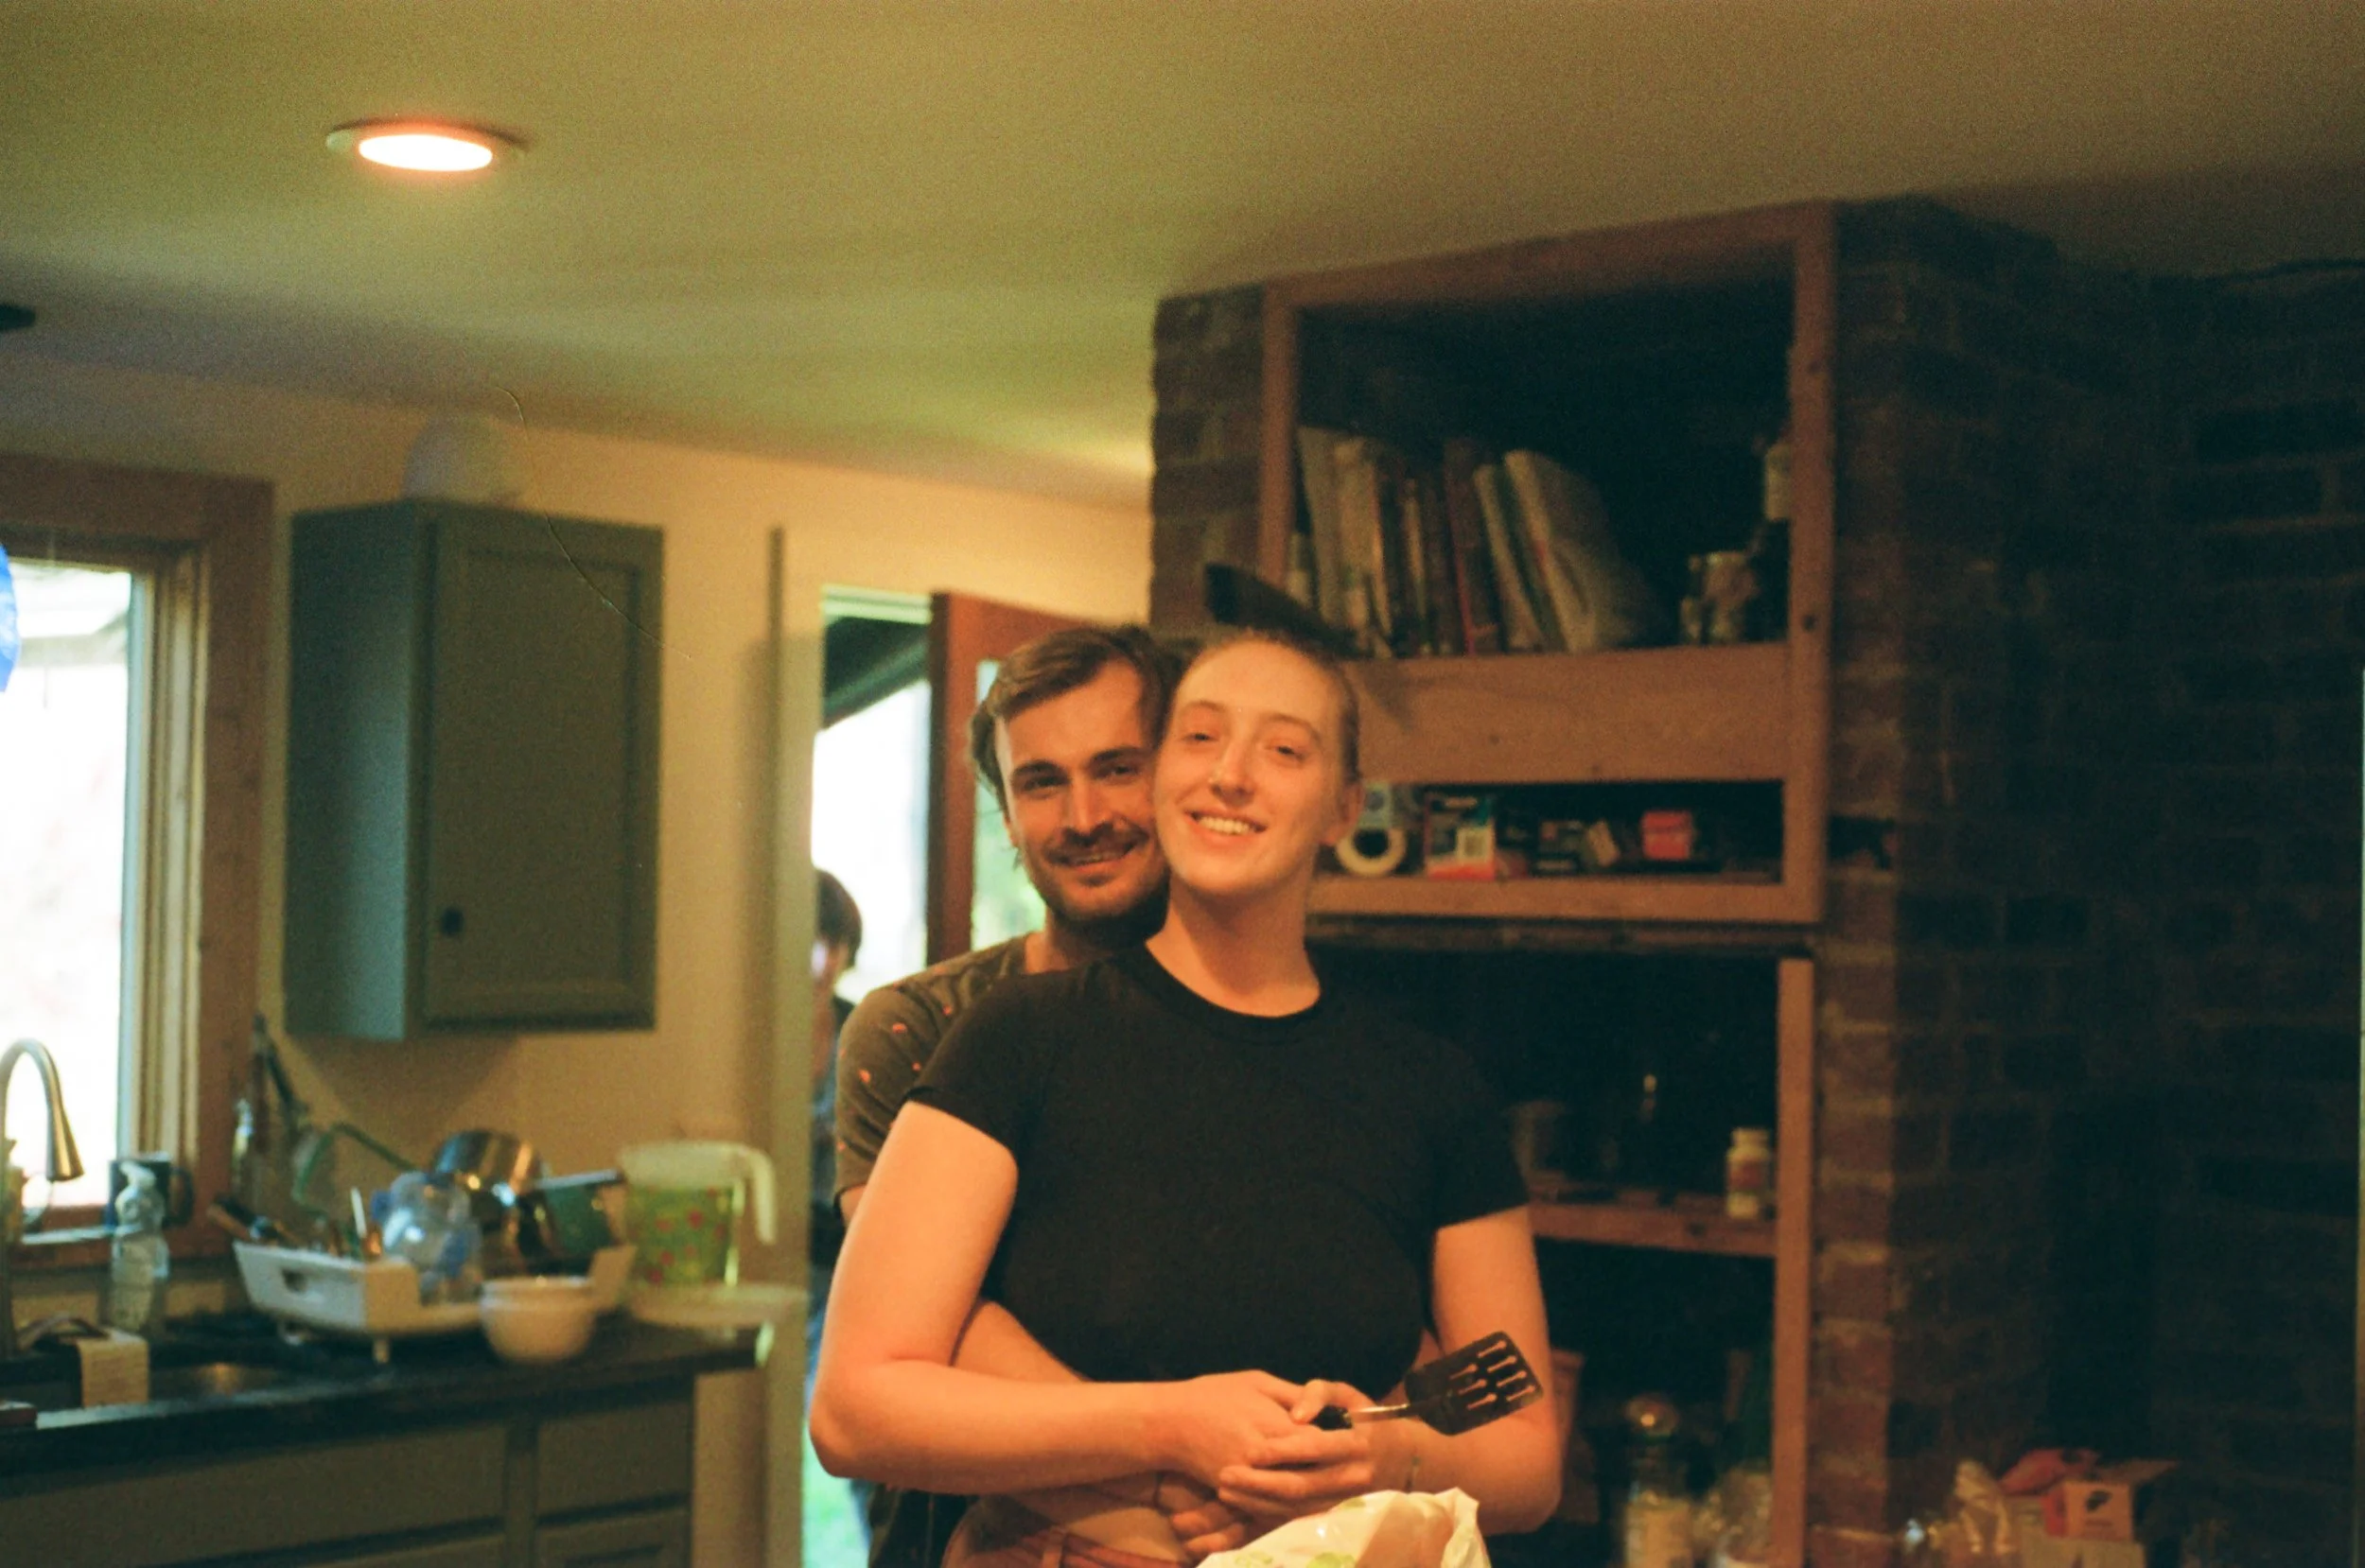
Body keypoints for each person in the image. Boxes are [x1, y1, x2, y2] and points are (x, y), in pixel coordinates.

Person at [813, 628, 1561, 1568]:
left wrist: (1377, 1453)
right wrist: (1173, 1430)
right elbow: (855, 1404)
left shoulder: (1428, 1085)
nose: (1231, 775)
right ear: (1164, 773)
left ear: (1344, 806)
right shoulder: (1014, 1035)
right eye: (1200, 738)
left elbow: (1522, 1446)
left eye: (1284, 748)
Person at [832, 624, 1218, 1566]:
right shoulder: (919, 1027)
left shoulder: (1261, 1025)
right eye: (1040, 782)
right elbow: (926, 1321)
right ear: (1006, 813)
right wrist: (1168, 1470)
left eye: (1116, 767)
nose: (1084, 815)